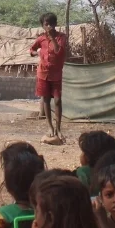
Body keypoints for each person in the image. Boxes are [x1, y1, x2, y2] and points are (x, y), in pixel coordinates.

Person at [29, 12, 68, 142]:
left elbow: (58, 51)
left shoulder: (61, 37)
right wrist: (37, 53)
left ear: (55, 24)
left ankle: (59, 128)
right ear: (43, 25)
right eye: (46, 24)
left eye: (51, 23)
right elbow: (31, 50)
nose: (49, 26)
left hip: (56, 73)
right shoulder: (40, 39)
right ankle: (50, 127)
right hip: (43, 73)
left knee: (57, 100)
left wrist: (52, 38)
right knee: (45, 99)